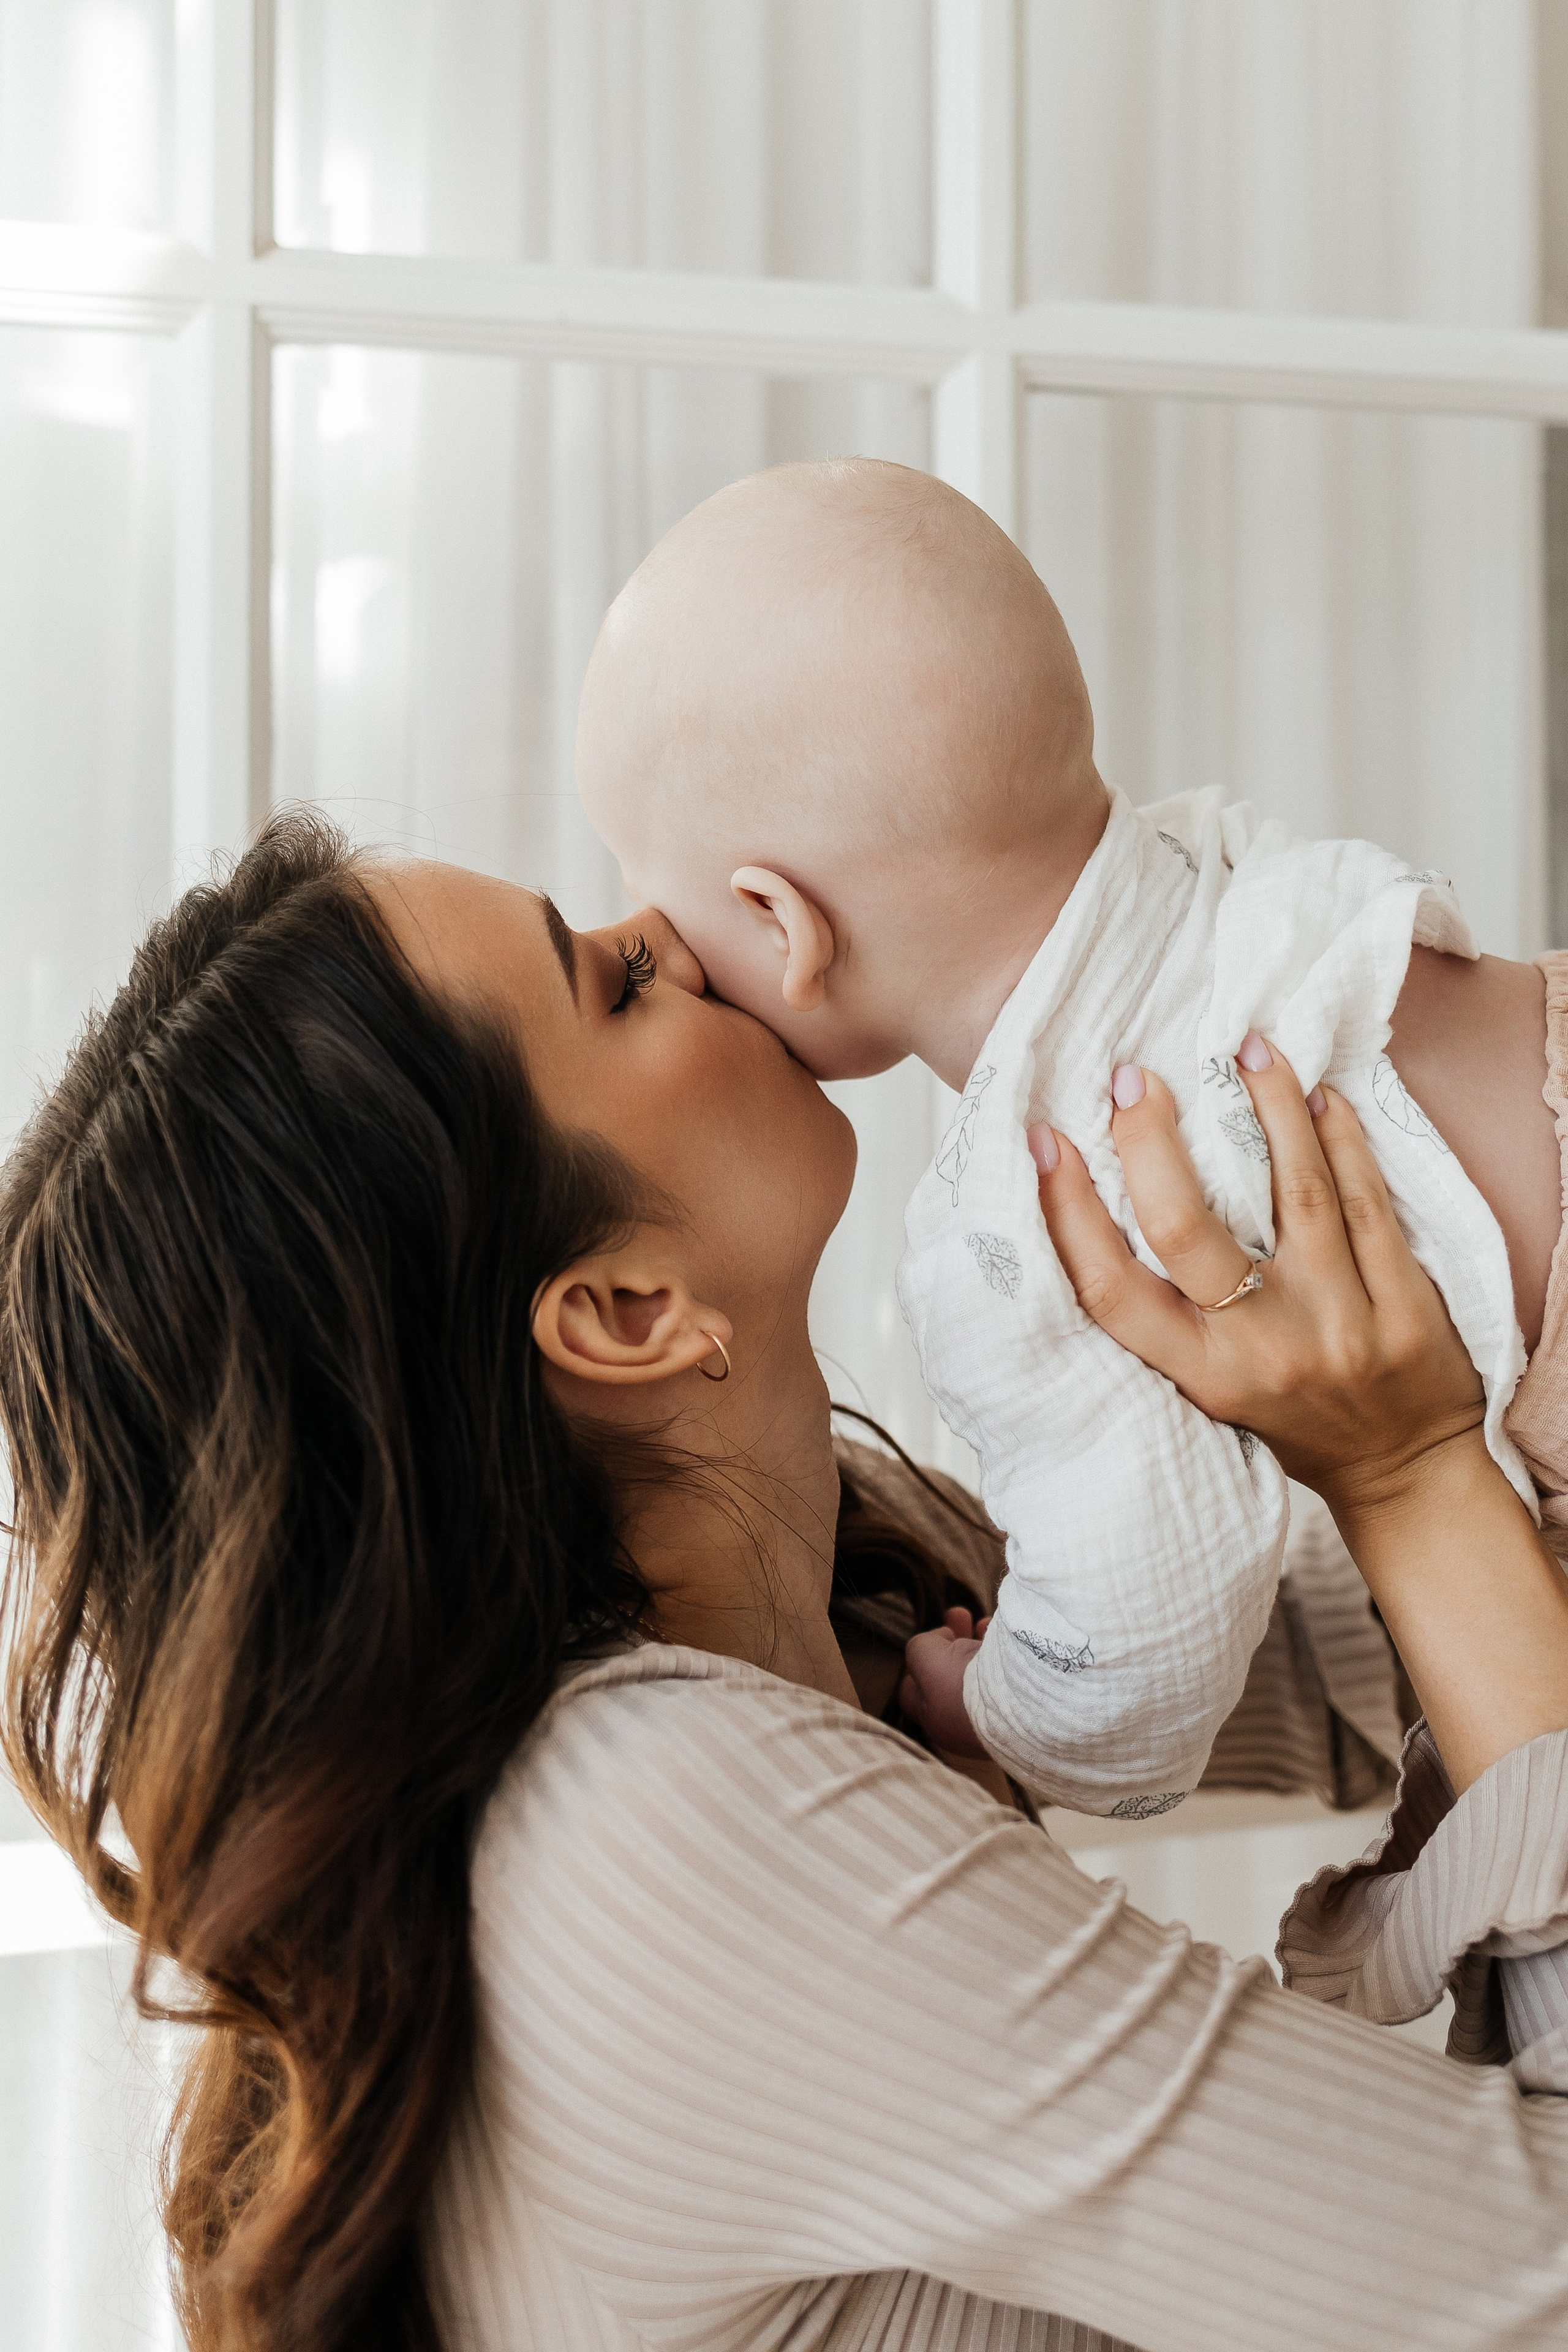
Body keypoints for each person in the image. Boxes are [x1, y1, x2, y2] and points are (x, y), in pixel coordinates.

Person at [2, 813, 1568, 2352]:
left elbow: (1396, 1666)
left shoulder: (840, 1593)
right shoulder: (650, 1825)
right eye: (609, 984)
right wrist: (1409, 1475)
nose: (669, 935)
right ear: (620, 1312)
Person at [575, 456, 1568, 1814]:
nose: (650, 946)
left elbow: (1144, 1653)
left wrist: (996, 1706)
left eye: (653, 907)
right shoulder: (1195, 864)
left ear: (779, 924)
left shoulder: (1021, 1220)